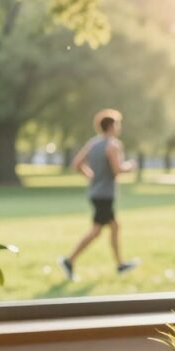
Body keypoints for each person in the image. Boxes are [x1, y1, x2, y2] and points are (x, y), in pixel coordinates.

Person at [59, 109, 138, 280]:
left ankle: (120, 264)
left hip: (96, 192)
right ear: (111, 126)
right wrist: (130, 166)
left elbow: (76, 164)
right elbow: (117, 170)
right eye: (117, 124)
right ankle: (69, 260)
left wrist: (91, 176)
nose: (118, 127)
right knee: (96, 231)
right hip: (105, 194)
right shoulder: (113, 145)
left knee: (114, 227)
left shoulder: (93, 144)